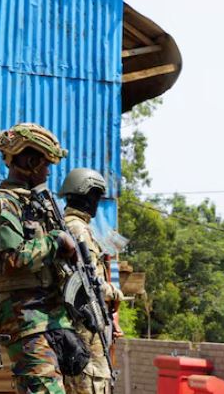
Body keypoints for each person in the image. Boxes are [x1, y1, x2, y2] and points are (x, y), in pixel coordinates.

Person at [0, 123, 89, 394]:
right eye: (45, 165)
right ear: (30, 162)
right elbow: (12, 258)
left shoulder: (38, 204)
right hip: (25, 320)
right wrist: (56, 241)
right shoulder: (2, 203)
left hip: (51, 318)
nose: (48, 172)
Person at [59, 168, 126, 394]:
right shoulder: (78, 229)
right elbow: (87, 281)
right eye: (95, 196)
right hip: (84, 324)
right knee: (92, 381)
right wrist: (115, 293)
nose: (97, 202)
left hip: (82, 322)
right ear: (85, 195)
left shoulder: (69, 225)